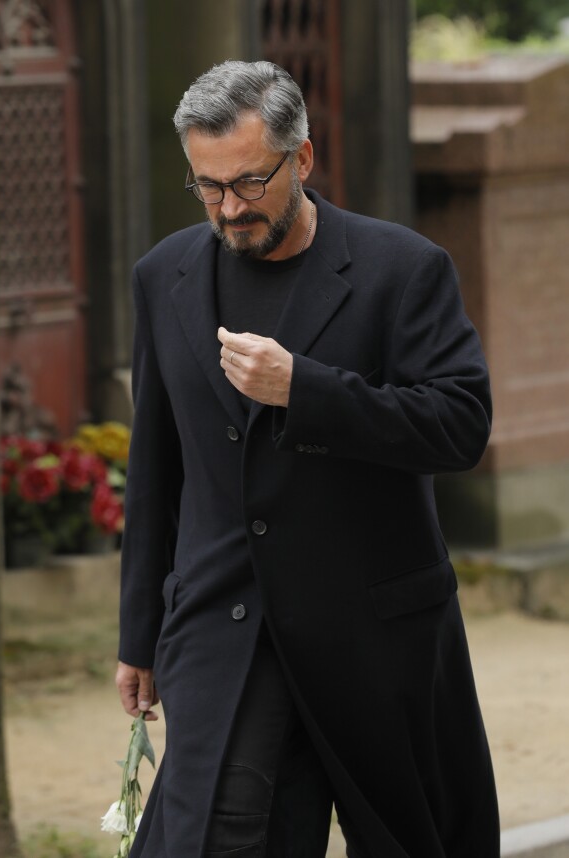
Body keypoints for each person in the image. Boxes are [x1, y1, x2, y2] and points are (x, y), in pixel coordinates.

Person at [116, 60, 500, 858]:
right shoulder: (164, 277)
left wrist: (307, 390)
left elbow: (460, 425)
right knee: (222, 835)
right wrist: (139, 634)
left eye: (250, 183)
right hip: (224, 627)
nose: (229, 207)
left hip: (373, 631)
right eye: (208, 186)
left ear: (304, 159)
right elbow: (155, 467)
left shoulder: (404, 269)